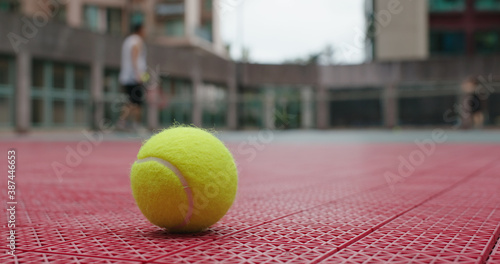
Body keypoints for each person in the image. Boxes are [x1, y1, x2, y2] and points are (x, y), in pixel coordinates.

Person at [117, 23, 147, 132]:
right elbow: (134, 57)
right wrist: (138, 74)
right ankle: (135, 124)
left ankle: (123, 121)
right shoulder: (136, 41)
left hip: (127, 76)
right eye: (144, 29)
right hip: (134, 77)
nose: (146, 32)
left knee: (131, 102)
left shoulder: (128, 40)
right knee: (137, 102)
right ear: (139, 30)